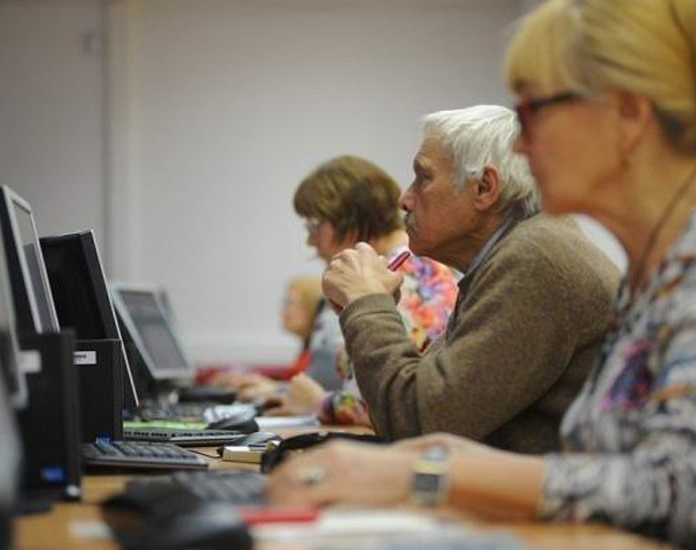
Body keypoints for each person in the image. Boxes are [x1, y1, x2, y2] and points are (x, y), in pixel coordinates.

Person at [267, 0, 696, 546]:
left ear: (628, 116)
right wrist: (440, 457)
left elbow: (676, 490)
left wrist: (432, 471)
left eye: (534, 110)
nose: (519, 142)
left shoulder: (590, 262)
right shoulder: (651, 278)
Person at [316, 105, 619, 451]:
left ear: (484, 188)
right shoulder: (513, 254)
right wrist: (368, 308)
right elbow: (409, 407)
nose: (405, 199)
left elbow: (417, 422)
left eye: (423, 177)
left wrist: (368, 304)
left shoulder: (534, 260)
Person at [265, 155, 458, 425]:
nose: (311, 240)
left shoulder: (408, 275)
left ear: (348, 217)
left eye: (315, 225)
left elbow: (387, 403)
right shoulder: (399, 266)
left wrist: (317, 403)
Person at [210, 275, 323, 401]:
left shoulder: (321, 354)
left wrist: (272, 387)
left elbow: (311, 392)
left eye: (289, 303)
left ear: (313, 307)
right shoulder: (308, 349)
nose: (283, 312)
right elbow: (289, 380)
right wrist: (251, 379)